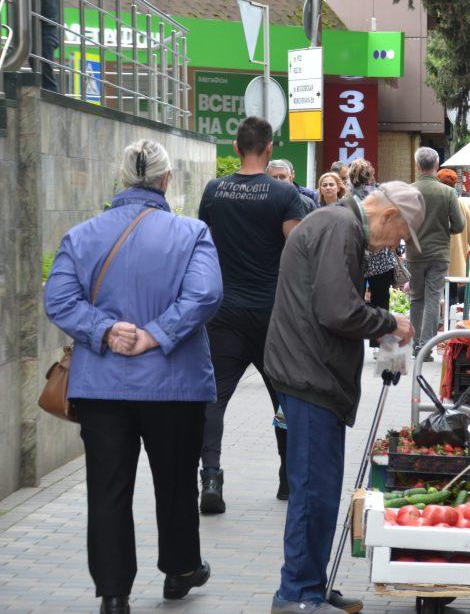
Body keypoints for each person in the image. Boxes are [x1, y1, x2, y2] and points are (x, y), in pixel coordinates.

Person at [44, 140, 223, 614]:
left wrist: (104, 331)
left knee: (107, 488)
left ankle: (113, 592)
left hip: (102, 387)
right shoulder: (192, 233)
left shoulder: (81, 236)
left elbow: (59, 300)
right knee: (177, 481)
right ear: (167, 180)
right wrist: (156, 335)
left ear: (121, 179)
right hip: (175, 384)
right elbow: (206, 295)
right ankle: (181, 569)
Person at [265, 182, 420, 614]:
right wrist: (389, 320)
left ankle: (310, 585)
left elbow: (334, 303)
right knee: (313, 492)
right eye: (401, 235)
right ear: (388, 216)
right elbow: (336, 309)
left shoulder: (338, 224)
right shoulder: (341, 228)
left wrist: (379, 321)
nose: (396, 246)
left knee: (319, 490)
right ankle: (297, 594)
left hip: (312, 371)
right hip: (309, 373)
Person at [197, 116, 306, 513]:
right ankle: (287, 478)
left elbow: (202, 246)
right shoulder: (283, 195)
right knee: (284, 397)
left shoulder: (214, 191)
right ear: (270, 147)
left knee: (214, 398)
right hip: (271, 314)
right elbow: (298, 253)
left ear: (235, 147)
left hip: (222, 312)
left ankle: (211, 477)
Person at [407, 147, 464, 354]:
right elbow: (459, 225)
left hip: (415, 253)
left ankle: (415, 345)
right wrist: (443, 230)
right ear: (437, 166)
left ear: (417, 166)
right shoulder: (448, 192)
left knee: (416, 298)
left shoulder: (409, 191)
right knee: (433, 297)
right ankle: (426, 347)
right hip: (440, 253)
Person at [350, 159, 397, 347]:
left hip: (357, 253)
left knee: (355, 299)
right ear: (371, 174)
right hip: (380, 253)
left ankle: (354, 339)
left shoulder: (348, 197)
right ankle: (378, 341)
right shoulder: (381, 194)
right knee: (381, 299)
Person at [437, 168, 470, 304]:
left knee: (434, 298)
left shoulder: (434, 204)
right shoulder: (462, 204)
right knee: (452, 299)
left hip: (434, 259)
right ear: (455, 185)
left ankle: (439, 323)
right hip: (456, 264)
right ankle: (449, 323)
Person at [34, 0, 60, 92]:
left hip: (45, 28)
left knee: (45, 73)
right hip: (44, 27)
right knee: (41, 68)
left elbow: (48, 3)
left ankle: (51, 101)